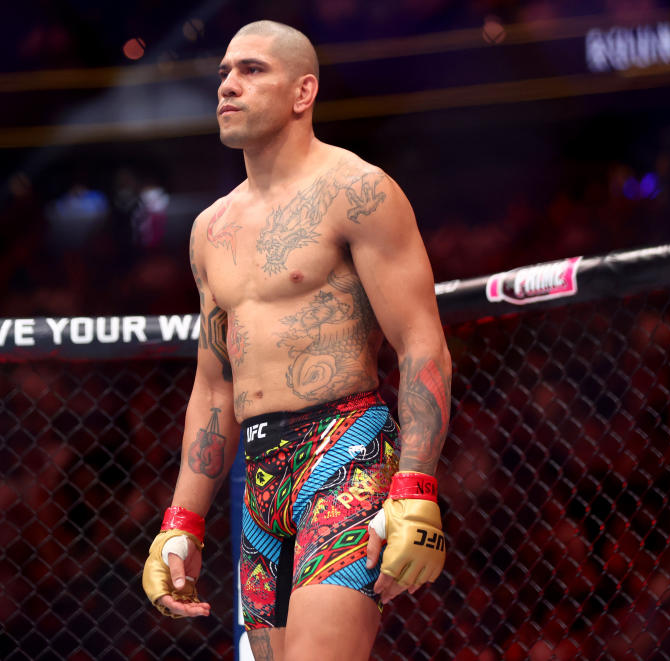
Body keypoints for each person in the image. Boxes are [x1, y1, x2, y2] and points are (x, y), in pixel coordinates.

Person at [142, 20, 451, 661]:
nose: (228, 85)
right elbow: (215, 383)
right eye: (224, 72)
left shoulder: (356, 191)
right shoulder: (210, 229)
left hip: (343, 453)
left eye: (251, 70)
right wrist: (181, 522)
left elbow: (421, 342)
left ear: (303, 91)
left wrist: (416, 487)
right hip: (259, 474)